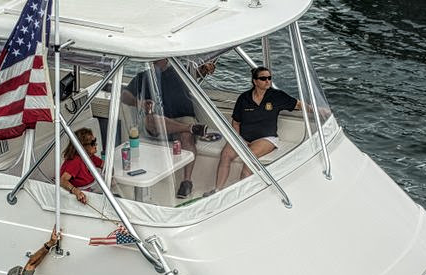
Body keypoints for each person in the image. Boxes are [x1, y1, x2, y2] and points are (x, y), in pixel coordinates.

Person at [121, 59, 214, 199]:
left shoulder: (180, 71)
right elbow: (124, 96)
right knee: (151, 120)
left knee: (186, 137)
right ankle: (191, 128)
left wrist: (206, 68)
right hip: (160, 122)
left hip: (183, 116)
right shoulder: (144, 77)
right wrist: (139, 103)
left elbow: (199, 72)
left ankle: (186, 182)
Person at [205, 66, 301, 196]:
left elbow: (298, 104)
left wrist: (318, 110)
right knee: (225, 155)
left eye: (269, 78)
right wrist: (238, 139)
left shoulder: (277, 96)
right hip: (242, 137)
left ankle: (242, 195)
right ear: (255, 81)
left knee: (249, 158)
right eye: (263, 78)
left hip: (266, 138)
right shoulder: (244, 98)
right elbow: (236, 122)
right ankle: (217, 191)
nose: (267, 81)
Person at [59, 127, 104, 204]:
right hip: (82, 196)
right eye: (92, 143)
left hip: (90, 191)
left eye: (95, 141)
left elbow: (104, 165)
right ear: (83, 146)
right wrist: (75, 191)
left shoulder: (90, 157)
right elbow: (62, 180)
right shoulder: (75, 161)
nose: (96, 145)